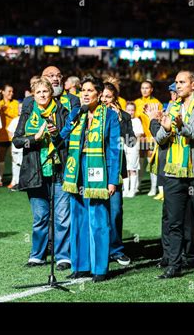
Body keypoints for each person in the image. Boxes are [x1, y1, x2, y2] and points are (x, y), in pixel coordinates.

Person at [154, 70, 194, 284]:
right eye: (176, 82)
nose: (177, 85)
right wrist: (164, 128)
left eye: (182, 82)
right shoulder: (172, 106)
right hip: (173, 170)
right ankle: (174, 265)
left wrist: (181, 126)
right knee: (174, 222)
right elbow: (161, 140)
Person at [13, 77, 78, 270]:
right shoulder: (27, 113)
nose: (42, 95)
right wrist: (35, 138)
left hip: (59, 170)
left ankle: (63, 256)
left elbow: (69, 141)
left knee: (61, 217)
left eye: (45, 92)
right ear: (33, 95)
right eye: (38, 92)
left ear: (52, 93)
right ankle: (37, 255)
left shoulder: (63, 111)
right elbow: (17, 141)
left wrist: (57, 133)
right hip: (35, 171)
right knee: (40, 217)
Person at [62, 75, 121, 283]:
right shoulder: (77, 113)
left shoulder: (110, 116)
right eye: (82, 91)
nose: (85, 94)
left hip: (97, 168)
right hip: (76, 167)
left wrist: (113, 179)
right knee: (78, 217)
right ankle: (80, 265)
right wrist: (62, 127)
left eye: (89, 90)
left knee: (98, 218)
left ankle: (100, 268)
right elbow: (62, 137)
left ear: (98, 93)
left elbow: (115, 149)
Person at [101, 80, 133, 266]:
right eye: (102, 96)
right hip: (95, 168)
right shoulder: (93, 115)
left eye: (108, 96)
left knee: (115, 211)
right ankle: (99, 249)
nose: (105, 99)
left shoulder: (124, 117)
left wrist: (120, 120)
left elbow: (130, 142)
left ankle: (116, 250)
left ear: (115, 99)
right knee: (97, 210)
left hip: (115, 169)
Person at [134, 80, 162, 196]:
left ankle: (153, 187)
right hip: (139, 137)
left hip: (151, 138)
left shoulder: (157, 103)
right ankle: (137, 186)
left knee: (151, 162)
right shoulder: (136, 102)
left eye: (147, 88)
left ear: (151, 89)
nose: (144, 90)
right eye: (142, 88)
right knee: (139, 161)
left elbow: (159, 121)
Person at [0, 84, 19, 187]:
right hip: (2, 134)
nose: (11, 93)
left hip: (13, 135)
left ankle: (14, 181)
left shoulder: (15, 103)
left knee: (14, 158)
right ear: (3, 92)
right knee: (0, 157)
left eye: (12, 91)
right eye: (9, 91)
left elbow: (16, 115)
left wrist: (6, 110)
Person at [123, 102, 143, 198]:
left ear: (134, 111)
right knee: (125, 168)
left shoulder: (137, 121)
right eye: (128, 110)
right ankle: (126, 189)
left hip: (133, 146)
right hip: (123, 146)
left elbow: (139, 134)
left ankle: (132, 190)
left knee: (132, 168)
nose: (130, 112)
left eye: (132, 110)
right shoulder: (123, 120)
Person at [7, 103, 23, 192]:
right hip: (15, 147)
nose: (20, 109)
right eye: (19, 108)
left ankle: (20, 183)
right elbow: (10, 132)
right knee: (15, 164)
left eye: (22, 108)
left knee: (21, 164)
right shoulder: (15, 120)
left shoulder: (27, 120)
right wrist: (14, 142)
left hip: (23, 147)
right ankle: (14, 181)